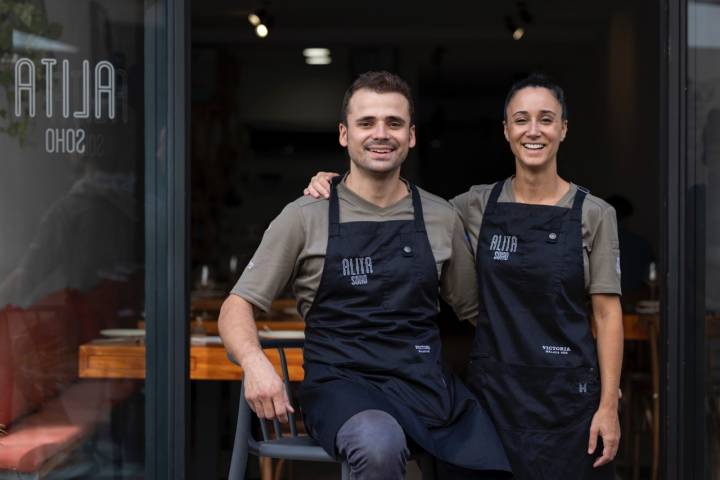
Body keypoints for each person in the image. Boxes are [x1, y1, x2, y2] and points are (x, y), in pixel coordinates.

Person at [304, 73, 623, 479]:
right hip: (494, 394)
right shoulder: (473, 206)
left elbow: (608, 315)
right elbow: (401, 207)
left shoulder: (594, 213)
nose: (533, 130)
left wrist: (608, 403)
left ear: (563, 128)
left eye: (546, 119)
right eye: (521, 119)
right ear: (506, 130)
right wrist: (339, 186)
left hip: (567, 395)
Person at [219, 71, 511, 480]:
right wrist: (254, 363)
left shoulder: (442, 217)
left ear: (411, 136)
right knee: (379, 442)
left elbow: (479, 314)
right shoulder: (304, 217)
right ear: (344, 134)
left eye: (394, 123)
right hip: (340, 386)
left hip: (424, 387)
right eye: (367, 122)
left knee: (494, 456)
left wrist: (545, 371)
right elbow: (236, 306)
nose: (381, 134)